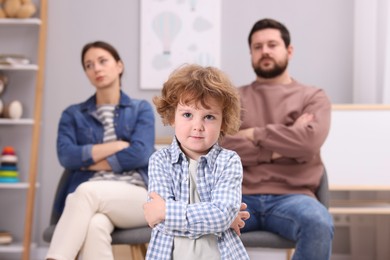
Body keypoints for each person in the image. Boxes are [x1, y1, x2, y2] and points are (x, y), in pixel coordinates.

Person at [220, 18, 334, 260]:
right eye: (258, 47)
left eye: (272, 44)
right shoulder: (234, 98)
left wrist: (253, 133)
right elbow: (222, 146)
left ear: (289, 50)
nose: (265, 52)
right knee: (201, 225)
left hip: (294, 197)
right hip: (238, 197)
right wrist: (285, 138)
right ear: (250, 53)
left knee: (319, 223)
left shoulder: (312, 97)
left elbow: (308, 143)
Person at [46, 41, 155, 260]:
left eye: (102, 61)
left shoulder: (140, 109)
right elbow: (66, 156)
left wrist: (87, 161)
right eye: (89, 65)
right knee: (96, 225)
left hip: (137, 196)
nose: (96, 68)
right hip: (89, 202)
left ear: (119, 66)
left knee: (87, 191)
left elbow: (141, 154)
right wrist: (115, 146)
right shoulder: (72, 114)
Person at [143, 64, 250, 260]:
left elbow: (222, 214)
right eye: (187, 115)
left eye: (209, 117)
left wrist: (167, 211)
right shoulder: (159, 160)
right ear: (172, 116)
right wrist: (218, 221)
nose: (197, 126)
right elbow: (159, 222)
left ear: (223, 122)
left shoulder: (229, 161)